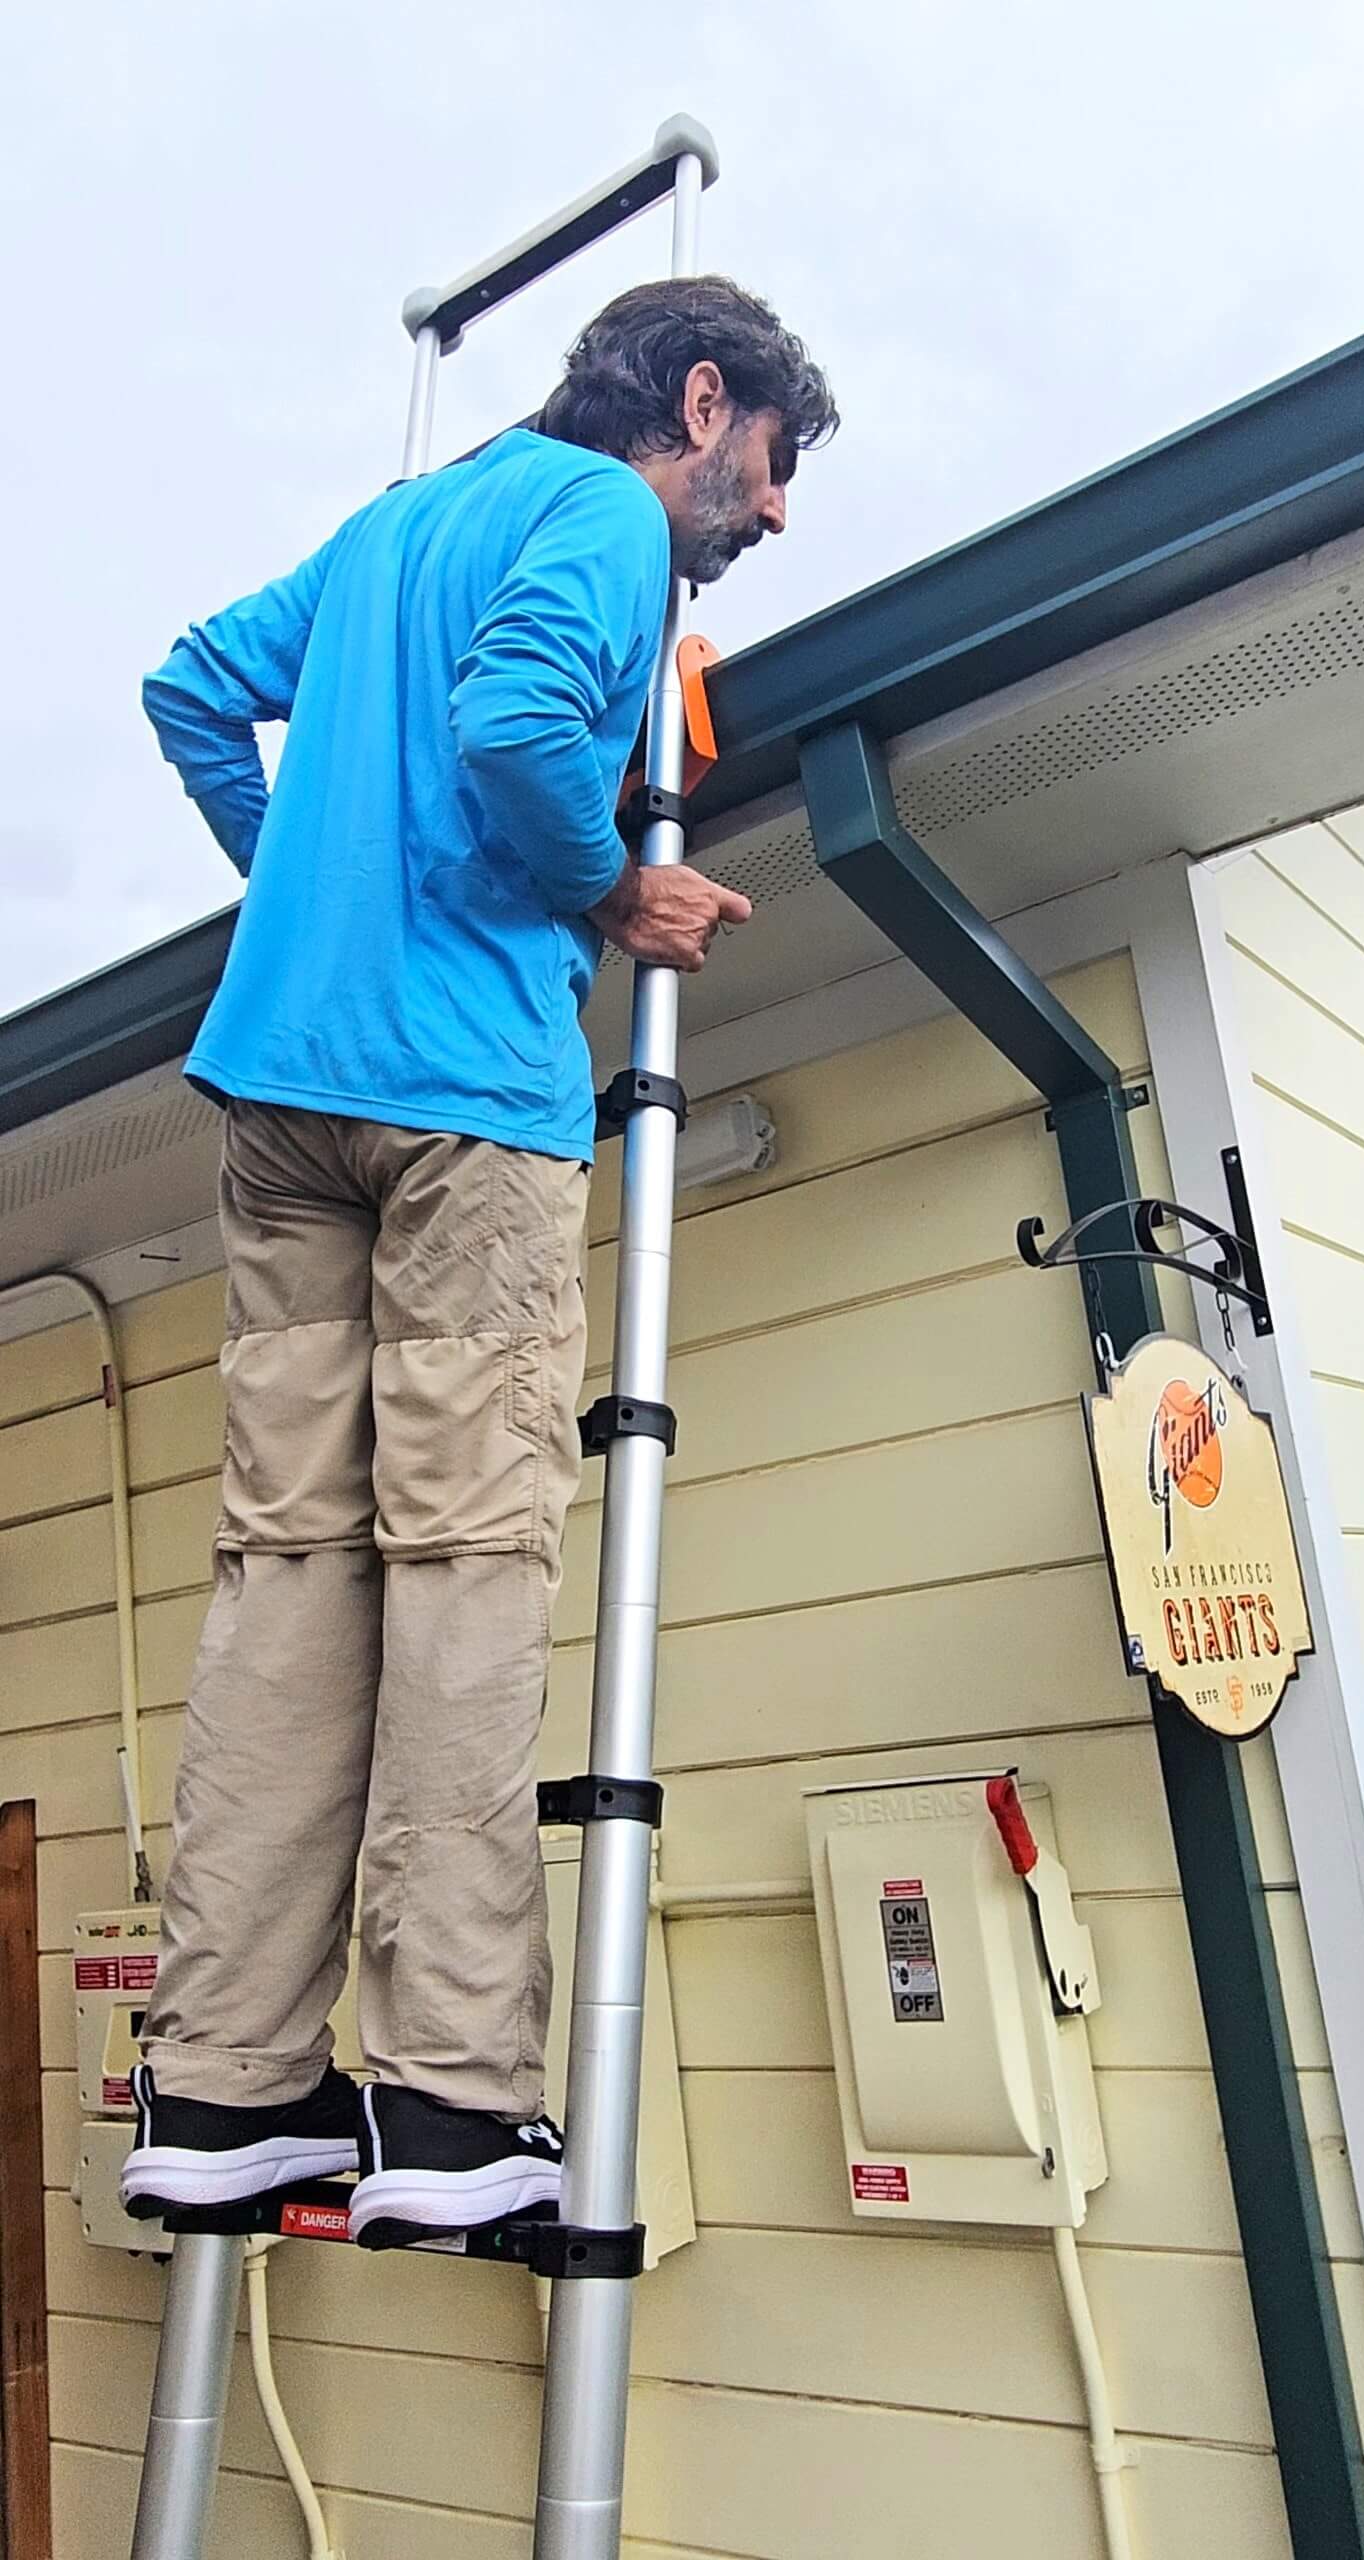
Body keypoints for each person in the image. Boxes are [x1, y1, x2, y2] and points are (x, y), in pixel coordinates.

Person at [120, 277, 837, 2245]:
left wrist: (298, 889)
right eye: (770, 473)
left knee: (289, 1564)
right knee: (459, 1555)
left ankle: (227, 2091)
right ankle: (446, 2106)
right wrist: (614, 887)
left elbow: (191, 681)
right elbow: (521, 722)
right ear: (701, 400)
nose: (769, 519)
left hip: (282, 1096)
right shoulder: (604, 519)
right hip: (461, 1105)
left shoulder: (389, 526)